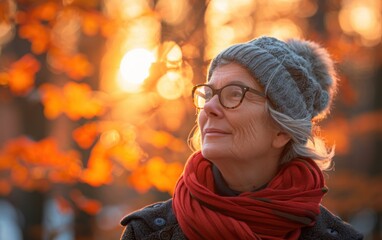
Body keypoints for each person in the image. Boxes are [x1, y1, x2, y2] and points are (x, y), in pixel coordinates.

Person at [119, 36, 363, 239]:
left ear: (282, 130)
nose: (210, 107)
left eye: (234, 94)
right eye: (209, 93)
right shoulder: (146, 233)